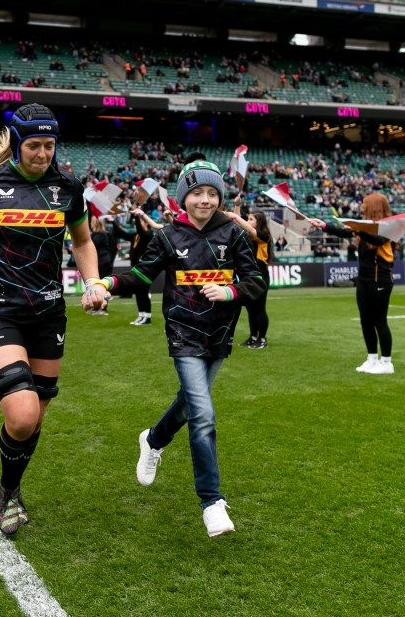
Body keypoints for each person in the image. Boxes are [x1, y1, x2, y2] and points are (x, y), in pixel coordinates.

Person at [0, 103, 107, 535]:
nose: (43, 154)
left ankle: (9, 489)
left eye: (50, 145)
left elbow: (83, 242)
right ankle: (9, 492)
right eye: (34, 145)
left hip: (49, 313)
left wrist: (93, 283)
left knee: (36, 415)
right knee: (22, 415)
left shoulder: (68, 188)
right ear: (16, 143)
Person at [96, 160, 264, 537]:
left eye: (212, 193)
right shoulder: (168, 237)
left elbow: (256, 281)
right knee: (203, 413)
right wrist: (106, 283)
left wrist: (230, 291)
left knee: (191, 403)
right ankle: (211, 501)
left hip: (219, 335)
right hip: (183, 335)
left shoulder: (233, 235)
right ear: (183, 198)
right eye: (197, 192)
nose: (205, 200)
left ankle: (153, 439)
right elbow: (140, 276)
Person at [309, 193, 397, 374]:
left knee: (379, 320)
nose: (361, 206)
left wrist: (357, 228)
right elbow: (343, 232)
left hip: (380, 278)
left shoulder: (390, 226)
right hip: (363, 279)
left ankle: (387, 363)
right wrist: (323, 225)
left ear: (373, 206)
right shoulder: (362, 226)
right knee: (365, 320)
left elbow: (377, 240)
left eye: (364, 204)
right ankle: (372, 358)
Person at [226, 210, 272, 349]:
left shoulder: (264, 236)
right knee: (251, 308)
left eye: (251, 219)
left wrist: (235, 216)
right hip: (248, 276)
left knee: (260, 308)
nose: (248, 221)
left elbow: (250, 230)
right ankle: (253, 337)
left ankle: (262, 339)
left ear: (259, 222)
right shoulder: (247, 236)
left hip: (261, 276)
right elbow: (241, 227)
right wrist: (237, 207)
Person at [111, 207, 157, 325]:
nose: (139, 223)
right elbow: (122, 234)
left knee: (143, 292)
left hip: (144, 268)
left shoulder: (148, 234)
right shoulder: (136, 235)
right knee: (138, 292)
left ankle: (147, 317)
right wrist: (112, 222)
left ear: (146, 223)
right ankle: (141, 315)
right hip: (136, 266)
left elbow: (141, 230)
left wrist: (137, 216)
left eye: (142, 221)